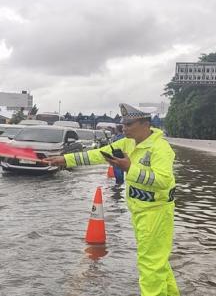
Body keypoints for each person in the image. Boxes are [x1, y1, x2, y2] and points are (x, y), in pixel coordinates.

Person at [43, 103, 179, 296]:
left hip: (155, 213)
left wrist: (130, 169)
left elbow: (163, 181)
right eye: (123, 124)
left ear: (144, 124)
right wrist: (66, 159)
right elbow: (98, 155)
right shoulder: (128, 143)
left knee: (150, 266)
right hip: (142, 212)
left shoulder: (160, 148)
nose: (124, 128)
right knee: (158, 263)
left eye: (129, 124)